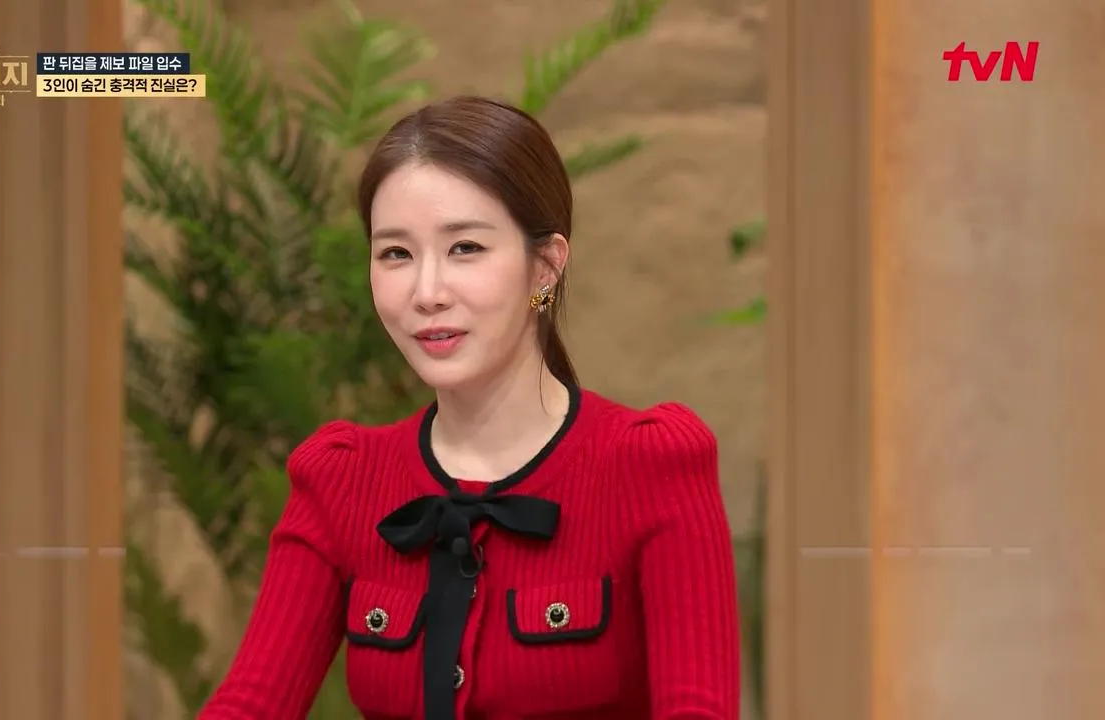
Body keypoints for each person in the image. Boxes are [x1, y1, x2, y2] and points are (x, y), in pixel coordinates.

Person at [198, 95, 740, 720]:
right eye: (396, 254)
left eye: (465, 248)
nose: (427, 293)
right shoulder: (339, 478)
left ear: (545, 266)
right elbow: (248, 706)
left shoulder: (651, 466)